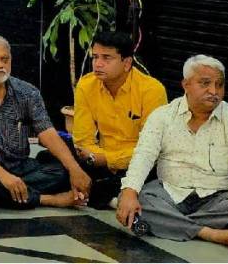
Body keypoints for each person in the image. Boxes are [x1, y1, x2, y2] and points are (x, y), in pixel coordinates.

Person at [116, 55, 228, 250]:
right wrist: (129, 192)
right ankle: (209, 233)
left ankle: (168, 223)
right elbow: (144, 154)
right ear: (186, 85)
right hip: (170, 192)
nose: (214, 91)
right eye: (205, 83)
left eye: (219, 85)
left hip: (219, 198)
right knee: (136, 198)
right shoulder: (162, 116)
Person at [0, 34, 92, 209]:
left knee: (62, 172)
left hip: (21, 166)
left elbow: (47, 133)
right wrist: (3, 176)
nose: (0, 65)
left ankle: (1, 196)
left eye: (5, 59)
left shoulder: (27, 92)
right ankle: (48, 199)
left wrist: (74, 168)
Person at [72, 30, 167, 208]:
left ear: (127, 63)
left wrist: (106, 158)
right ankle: (109, 197)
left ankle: (101, 196)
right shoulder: (86, 84)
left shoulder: (152, 90)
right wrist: (95, 158)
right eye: (95, 57)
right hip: (98, 162)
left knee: (155, 177)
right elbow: (83, 140)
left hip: (138, 164)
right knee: (59, 163)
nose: (98, 64)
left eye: (107, 58)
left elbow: (152, 148)